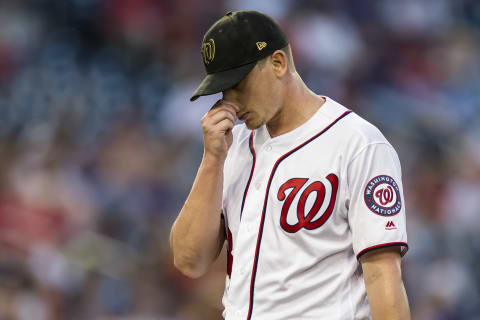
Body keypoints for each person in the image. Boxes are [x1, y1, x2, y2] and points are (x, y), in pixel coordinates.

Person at [170, 10, 410, 320]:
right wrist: (212, 160)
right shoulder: (230, 145)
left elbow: (383, 276)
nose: (231, 101)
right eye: (222, 89)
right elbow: (190, 261)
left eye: (238, 84)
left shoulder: (357, 144)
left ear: (278, 63)